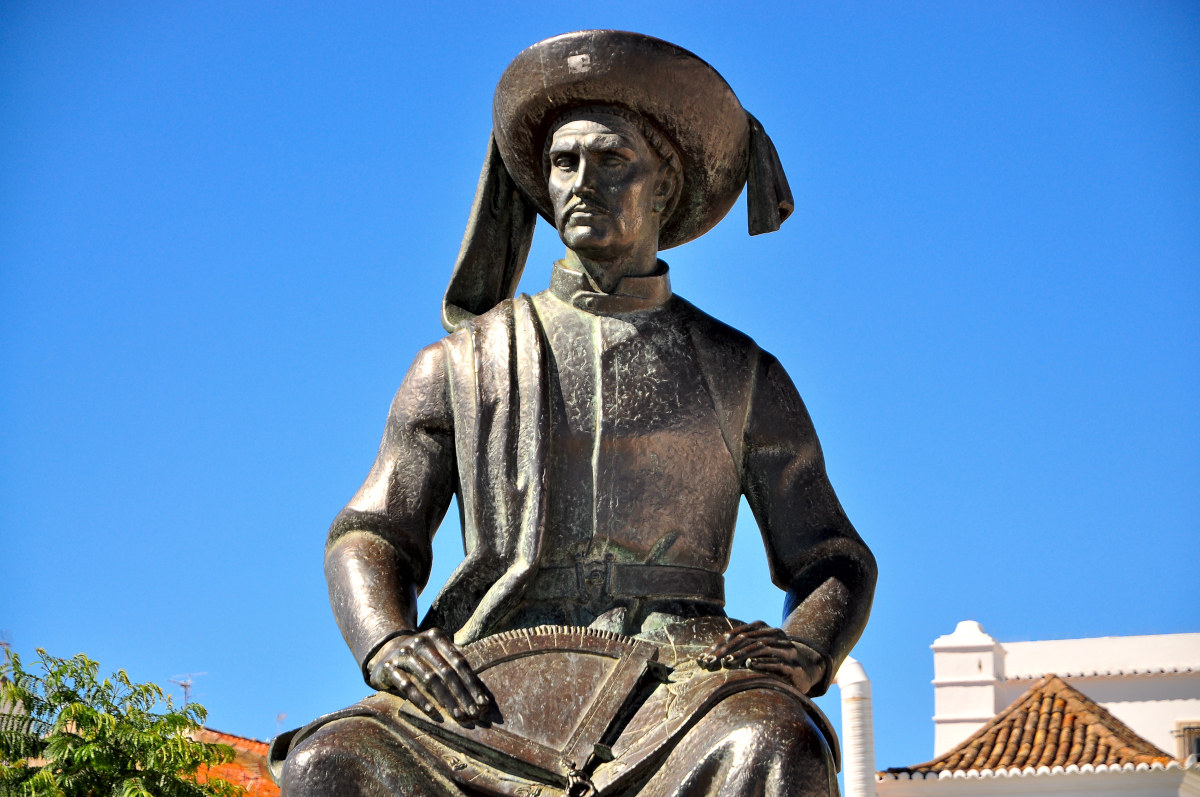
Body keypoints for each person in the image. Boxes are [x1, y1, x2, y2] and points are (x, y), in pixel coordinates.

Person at [272, 31, 876, 797]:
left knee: (775, 741)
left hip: (685, 689)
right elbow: (369, 533)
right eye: (564, 163)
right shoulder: (460, 365)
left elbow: (833, 556)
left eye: (611, 159)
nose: (582, 181)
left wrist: (807, 648)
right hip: (488, 682)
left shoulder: (741, 373)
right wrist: (389, 641)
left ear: (664, 186)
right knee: (333, 759)